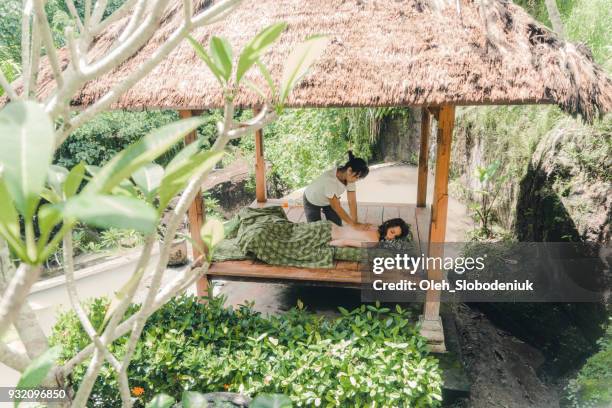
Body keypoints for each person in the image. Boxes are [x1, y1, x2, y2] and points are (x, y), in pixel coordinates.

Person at [303, 151, 369, 227]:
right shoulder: (330, 180)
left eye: (358, 178)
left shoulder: (350, 178)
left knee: (337, 226)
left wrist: (355, 222)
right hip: (311, 200)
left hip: (328, 201)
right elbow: (336, 207)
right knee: (315, 230)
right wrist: (353, 225)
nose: (356, 180)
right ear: (349, 170)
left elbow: (352, 201)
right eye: (356, 177)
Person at [329, 218, 410, 247]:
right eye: (392, 232)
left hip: (329, 225)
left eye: (395, 237)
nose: (392, 237)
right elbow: (344, 242)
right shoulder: (373, 239)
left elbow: (345, 241)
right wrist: (327, 244)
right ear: (388, 225)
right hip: (325, 234)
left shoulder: (373, 227)